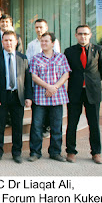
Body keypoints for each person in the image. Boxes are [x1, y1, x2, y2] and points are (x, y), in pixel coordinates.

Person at [64, 24, 102, 164]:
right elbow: (67, 71)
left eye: (85, 34)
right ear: (76, 35)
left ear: (90, 35)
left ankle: (96, 152)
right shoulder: (69, 51)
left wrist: (93, 82)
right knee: (72, 123)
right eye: (80, 34)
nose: (83, 36)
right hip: (75, 92)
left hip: (92, 92)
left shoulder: (98, 49)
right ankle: (71, 151)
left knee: (94, 123)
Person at [29, 32, 70, 162]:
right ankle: (35, 152)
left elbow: (66, 74)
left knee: (56, 127)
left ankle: (55, 152)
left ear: (53, 43)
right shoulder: (36, 58)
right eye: (42, 41)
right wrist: (48, 86)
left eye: (47, 41)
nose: (44, 43)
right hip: (40, 98)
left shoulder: (61, 58)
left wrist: (55, 87)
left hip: (57, 97)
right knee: (36, 126)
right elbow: (34, 76)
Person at [0, 31, 32, 164]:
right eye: (6, 40)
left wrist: (28, 97)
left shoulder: (23, 58)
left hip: (17, 96)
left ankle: (17, 152)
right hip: (1, 97)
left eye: (11, 40)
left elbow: (27, 79)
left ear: (16, 42)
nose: (8, 43)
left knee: (17, 126)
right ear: (2, 42)